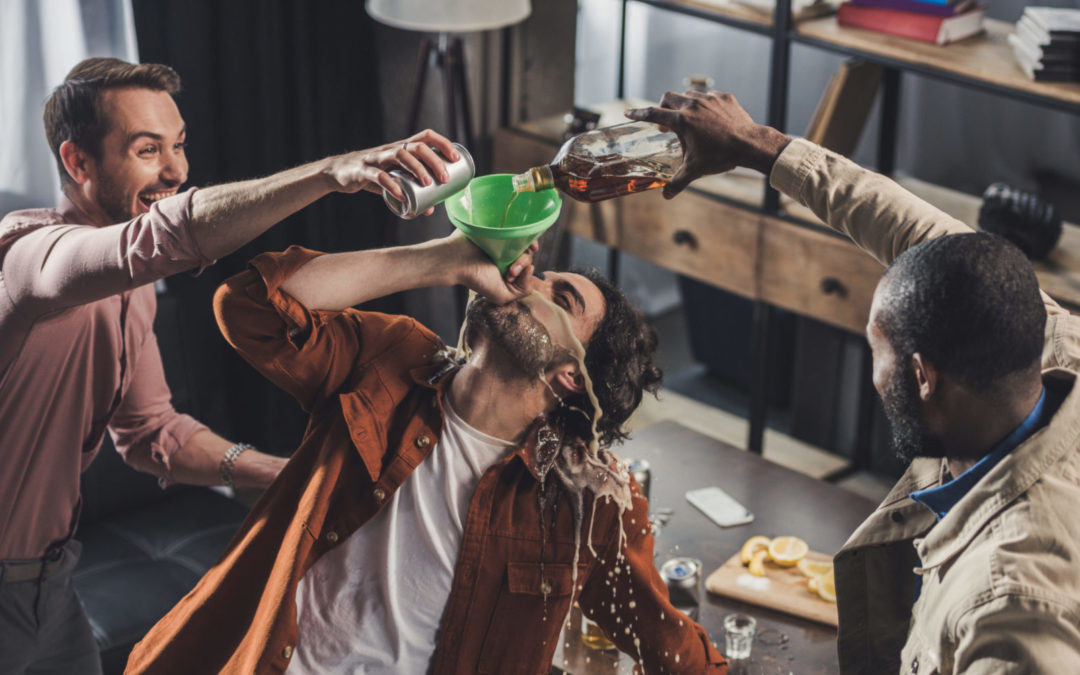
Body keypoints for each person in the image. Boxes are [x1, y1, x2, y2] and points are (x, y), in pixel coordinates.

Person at [0, 56, 466, 674]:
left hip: (51, 584)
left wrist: (287, 476)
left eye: (179, 145)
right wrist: (331, 173)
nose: (175, 170)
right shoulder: (28, 260)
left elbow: (152, 435)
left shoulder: (133, 289)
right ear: (77, 162)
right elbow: (159, 240)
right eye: (147, 150)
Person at [124, 226, 728, 673]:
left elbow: (666, 643)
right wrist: (443, 259)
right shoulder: (392, 356)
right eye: (544, 273)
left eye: (558, 297)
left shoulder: (589, 501)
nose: (527, 279)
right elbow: (248, 307)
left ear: (572, 375)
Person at [627, 91, 1080, 673]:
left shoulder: (1010, 605)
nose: (874, 375)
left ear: (922, 377)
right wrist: (757, 146)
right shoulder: (1042, 338)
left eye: (877, 350)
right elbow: (908, 226)